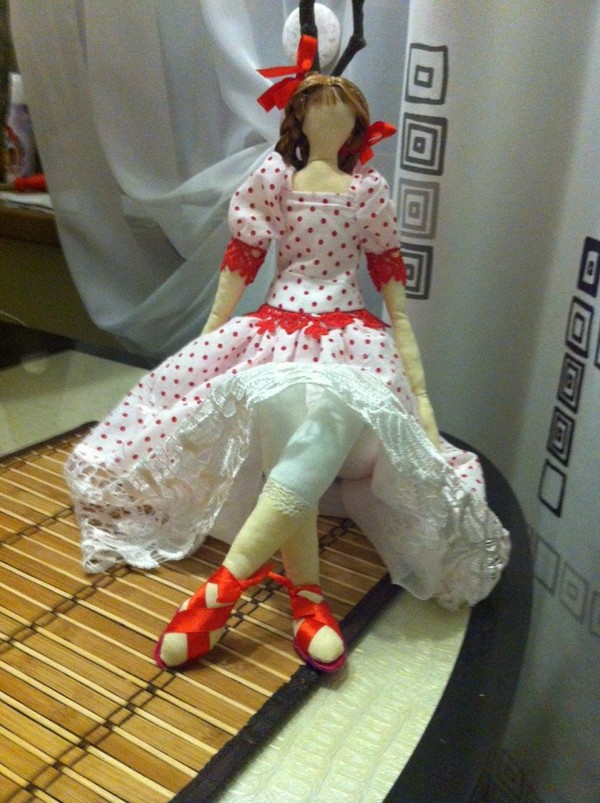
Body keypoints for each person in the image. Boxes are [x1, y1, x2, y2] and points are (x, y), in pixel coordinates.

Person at [65, 73, 509, 673]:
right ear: (298, 121)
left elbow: (396, 304)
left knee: (339, 401)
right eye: (317, 113)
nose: (328, 124)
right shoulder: (274, 179)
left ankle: (222, 589)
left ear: (357, 127)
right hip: (276, 330)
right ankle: (308, 597)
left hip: (351, 339)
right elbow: (240, 263)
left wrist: (422, 399)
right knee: (280, 403)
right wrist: (207, 342)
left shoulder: (368, 191)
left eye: (340, 115)